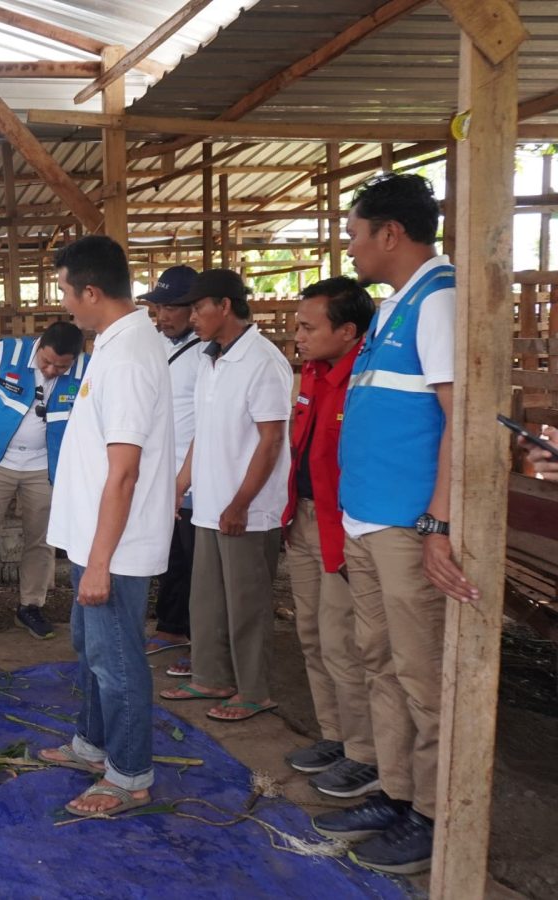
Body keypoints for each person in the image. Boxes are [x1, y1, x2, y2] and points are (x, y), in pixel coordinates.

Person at [312, 174, 477, 876]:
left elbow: (458, 422)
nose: (349, 247)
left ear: (389, 233)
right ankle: (397, 790)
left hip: (407, 525)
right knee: (381, 662)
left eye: (354, 233)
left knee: (421, 672)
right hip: (368, 518)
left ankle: (437, 817)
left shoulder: (437, 301)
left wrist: (439, 521)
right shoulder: (393, 308)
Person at [36, 236, 175, 817]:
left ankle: (129, 775)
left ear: (91, 291)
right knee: (93, 650)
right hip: (93, 540)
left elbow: (123, 472)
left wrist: (99, 560)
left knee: (117, 661)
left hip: (112, 548)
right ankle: (93, 746)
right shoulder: (113, 346)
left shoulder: (128, 356)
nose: (64, 303)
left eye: (66, 290)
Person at [162, 269, 291, 723]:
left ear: (226, 306)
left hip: (246, 509)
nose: (192, 317)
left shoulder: (263, 361)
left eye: (198, 308)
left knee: (246, 604)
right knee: (208, 599)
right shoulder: (209, 359)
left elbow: (271, 439)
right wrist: (182, 482)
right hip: (210, 503)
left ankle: (255, 690)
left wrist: (240, 503)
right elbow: (203, 429)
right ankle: (211, 676)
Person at [279, 277, 379, 799]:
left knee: (344, 644)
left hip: (343, 526)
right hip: (303, 519)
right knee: (313, 636)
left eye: (307, 326)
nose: (298, 335)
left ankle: (365, 754)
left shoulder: (364, 380)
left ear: (347, 331)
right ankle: (334, 736)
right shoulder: (313, 375)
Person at [0, 320, 88, 640]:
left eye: (62, 366)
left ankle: (31, 605)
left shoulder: (87, 368)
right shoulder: (6, 352)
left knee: (41, 537)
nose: (52, 370)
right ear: (39, 345)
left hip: (44, 465)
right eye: (46, 362)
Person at [139, 265, 205, 673]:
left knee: (200, 563)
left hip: (195, 475)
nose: (162, 316)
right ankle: (171, 628)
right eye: (157, 307)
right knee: (173, 556)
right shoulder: (158, 345)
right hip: (163, 473)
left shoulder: (206, 353)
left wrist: (187, 475)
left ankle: (205, 643)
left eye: (170, 308)